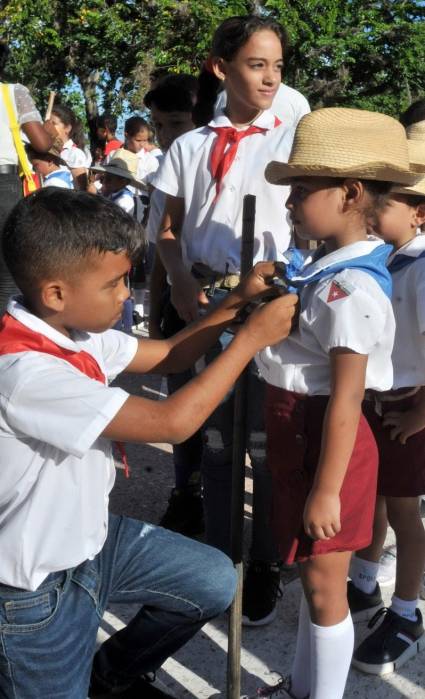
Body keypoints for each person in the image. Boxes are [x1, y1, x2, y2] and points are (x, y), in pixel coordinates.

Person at [0, 188, 297, 699]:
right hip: (33, 590)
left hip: (91, 545)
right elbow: (172, 422)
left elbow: (170, 355)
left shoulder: (72, 333)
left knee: (210, 579)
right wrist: (250, 340)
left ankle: (111, 675)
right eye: (115, 283)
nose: (126, 295)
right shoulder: (25, 371)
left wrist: (239, 302)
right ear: (55, 292)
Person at [253, 106, 415, 699]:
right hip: (305, 430)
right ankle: (301, 686)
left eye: (302, 188)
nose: (291, 201)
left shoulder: (350, 288)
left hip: (326, 438)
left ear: (349, 193)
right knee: (314, 580)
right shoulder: (327, 269)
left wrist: (327, 489)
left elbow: (347, 398)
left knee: (325, 589)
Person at [153, 14, 295, 627]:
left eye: (278, 67)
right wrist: (182, 281)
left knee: (262, 444)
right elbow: (164, 229)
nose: (269, 78)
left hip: (267, 303)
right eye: (256, 65)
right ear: (221, 68)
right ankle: (217, 561)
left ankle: (263, 563)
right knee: (214, 440)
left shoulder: (291, 138)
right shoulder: (189, 145)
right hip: (207, 302)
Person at [348, 135, 425, 676]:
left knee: (404, 509)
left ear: (419, 212)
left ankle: (407, 613)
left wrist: (421, 415)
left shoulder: (421, 269)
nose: (373, 210)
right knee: (376, 496)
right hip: (382, 398)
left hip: (411, 406)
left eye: (387, 201)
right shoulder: (392, 259)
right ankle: (365, 581)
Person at [144, 73, 204, 535]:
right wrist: (156, 311)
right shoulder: (164, 175)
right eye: (159, 126)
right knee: (182, 404)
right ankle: (186, 494)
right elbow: (161, 248)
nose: (166, 136)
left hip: (215, 299)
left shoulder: (212, 165)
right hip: (177, 306)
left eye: (176, 123)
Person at [0, 40, 56, 313]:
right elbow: (42, 144)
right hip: (4, 188)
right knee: (8, 276)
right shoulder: (13, 93)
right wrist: (49, 131)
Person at [50, 103, 90, 189]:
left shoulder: (74, 154)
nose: (48, 126)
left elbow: (82, 188)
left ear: (67, 128)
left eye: (53, 123)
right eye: (48, 122)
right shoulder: (48, 149)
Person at [122, 115, 159, 184]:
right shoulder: (114, 155)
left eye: (145, 140)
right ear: (127, 136)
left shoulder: (150, 161)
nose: (142, 144)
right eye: (138, 140)